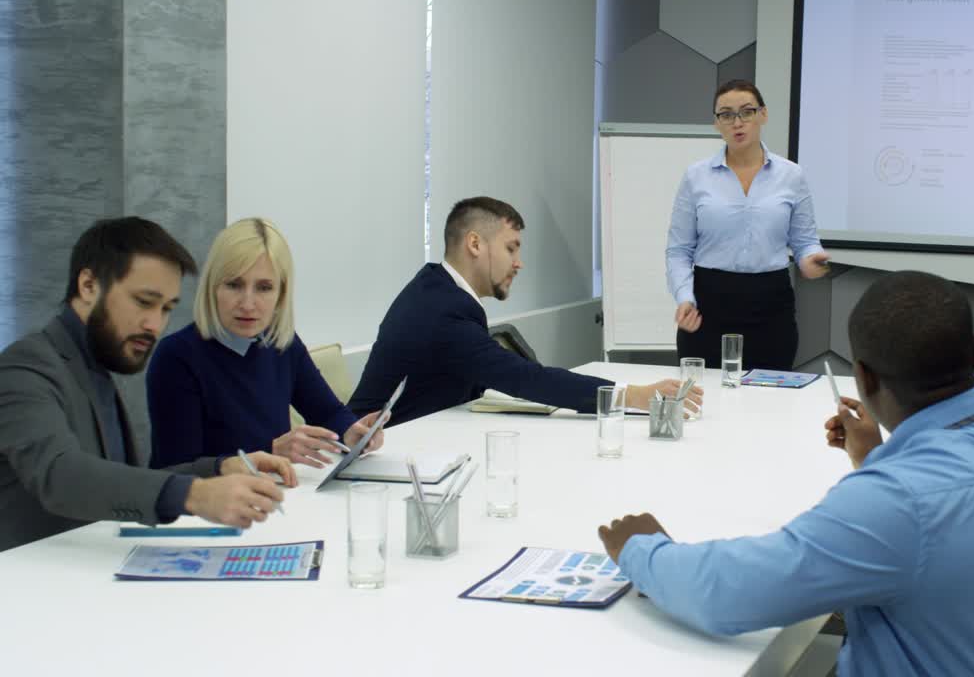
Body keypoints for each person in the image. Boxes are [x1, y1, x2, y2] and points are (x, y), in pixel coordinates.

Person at [598, 271, 974, 676]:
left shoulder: (898, 503)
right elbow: (951, 544)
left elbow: (733, 594)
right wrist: (874, 459)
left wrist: (642, 550)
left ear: (864, 378)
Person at [0, 217, 297, 552]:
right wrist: (195, 495)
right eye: (143, 302)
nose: (154, 324)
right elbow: (60, 474)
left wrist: (220, 467)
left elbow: (121, 479)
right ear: (88, 286)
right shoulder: (25, 368)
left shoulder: (94, 367)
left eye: (166, 308)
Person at [350, 197, 701, 426]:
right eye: (510, 248)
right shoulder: (444, 310)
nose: (519, 263)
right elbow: (528, 379)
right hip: (387, 452)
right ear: (475, 243)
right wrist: (635, 395)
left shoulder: (436, 288)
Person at [147, 218, 385, 470]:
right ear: (212, 287)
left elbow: (328, 412)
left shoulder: (282, 343)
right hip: (210, 505)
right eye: (234, 284)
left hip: (274, 494)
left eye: (264, 287)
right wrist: (268, 451)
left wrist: (351, 433)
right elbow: (175, 470)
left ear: (281, 294)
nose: (248, 303)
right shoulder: (176, 356)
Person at [666, 79, 830, 371]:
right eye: (726, 114)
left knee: (770, 403)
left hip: (770, 305)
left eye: (746, 112)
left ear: (763, 115)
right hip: (708, 305)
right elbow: (679, 250)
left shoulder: (791, 175)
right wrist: (684, 297)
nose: (737, 123)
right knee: (706, 402)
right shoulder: (696, 177)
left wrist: (809, 260)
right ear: (717, 123)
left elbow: (805, 241)